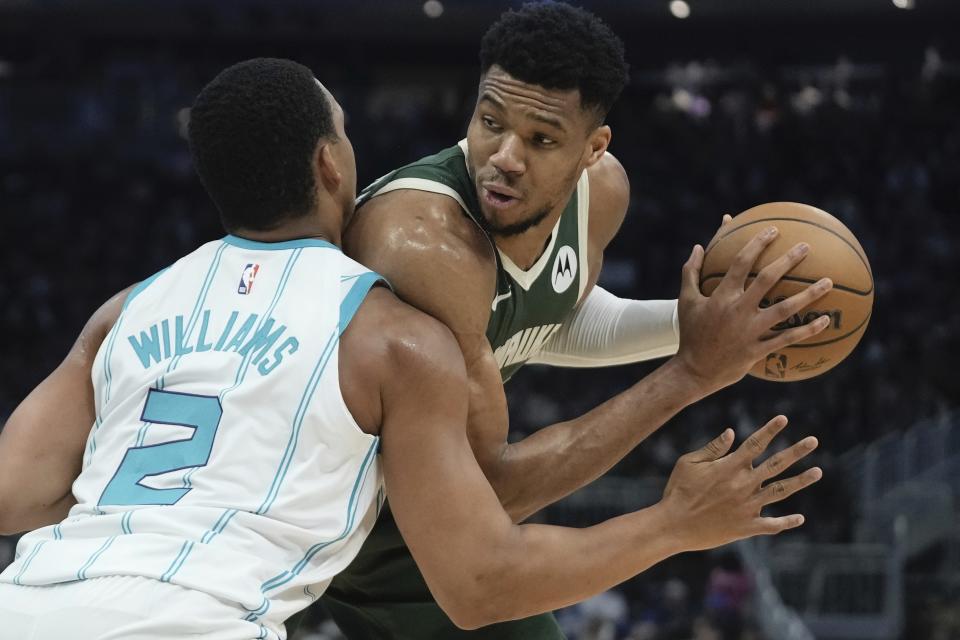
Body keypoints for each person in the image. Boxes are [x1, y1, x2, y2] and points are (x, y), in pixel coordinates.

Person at [0, 58, 821, 640]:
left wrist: (151, 519)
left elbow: (15, 497)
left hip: (27, 605)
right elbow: (481, 583)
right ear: (332, 162)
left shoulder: (123, 313)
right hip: (202, 621)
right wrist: (674, 522)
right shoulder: (394, 334)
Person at [320, 2, 835, 638]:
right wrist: (693, 370)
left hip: (421, 512)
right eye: (489, 121)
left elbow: (554, 319)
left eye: (542, 140)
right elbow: (497, 484)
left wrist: (705, 324)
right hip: (362, 523)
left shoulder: (602, 194)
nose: (505, 157)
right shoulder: (425, 244)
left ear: (594, 149)